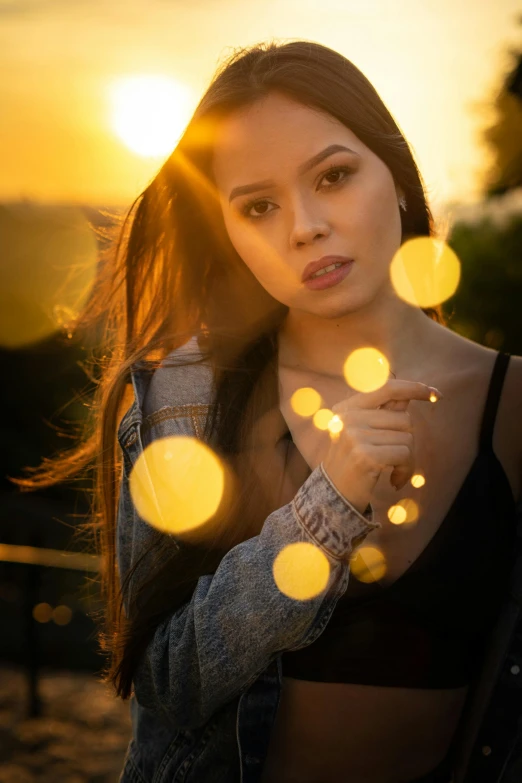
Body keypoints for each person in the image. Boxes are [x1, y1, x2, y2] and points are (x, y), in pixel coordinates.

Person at [15, 40, 522, 783]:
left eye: (335, 175)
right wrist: (327, 510)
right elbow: (169, 682)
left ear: (399, 176)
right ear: (229, 232)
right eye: (259, 205)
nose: (305, 226)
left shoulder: (512, 403)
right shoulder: (186, 394)